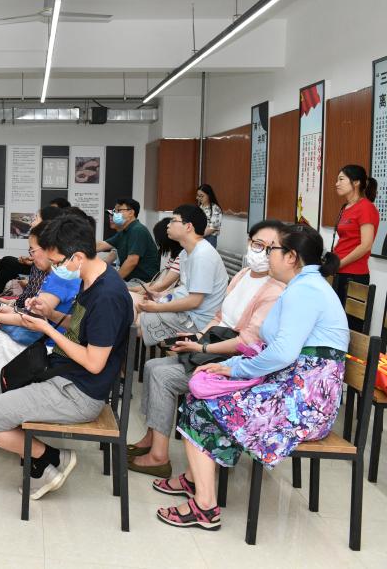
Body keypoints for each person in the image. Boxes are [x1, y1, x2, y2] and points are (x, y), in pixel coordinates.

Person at [156, 224, 348, 531]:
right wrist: (232, 365)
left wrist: (235, 369)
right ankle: (197, 482)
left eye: (272, 250)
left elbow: (282, 353)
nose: (267, 256)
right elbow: (269, 346)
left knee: (203, 406)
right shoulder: (302, 286)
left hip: (305, 405)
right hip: (292, 388)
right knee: (205, 397)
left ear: (291, 257)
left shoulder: (306, 291)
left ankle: (204, 505)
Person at [0, 214, 133, 499]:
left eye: (57, 262)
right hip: (61, 372)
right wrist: (52, 315)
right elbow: (81, 328)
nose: (55, 269)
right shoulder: (91, 280)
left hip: (79, 392)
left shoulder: (107, 296)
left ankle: (48, 458)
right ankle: (42, 458)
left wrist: (46, 329)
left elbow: (94, 362)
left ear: (77, 256)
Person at [128, 220, 286, 477]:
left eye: (271, 248)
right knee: (151, 366)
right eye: (258, 244)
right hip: (213, 345)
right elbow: (219, 317)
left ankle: (158, 456)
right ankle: (152, 437)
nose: (263, 253)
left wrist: (202, 348)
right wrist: (196, 338)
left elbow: (247, 341)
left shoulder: (275, 290)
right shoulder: (243, 275)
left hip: (233, 361)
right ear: (249, 243)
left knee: (162, 375)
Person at [0, 217, 81, 391]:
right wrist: (14, 310)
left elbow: (33, 320)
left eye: (32, 250)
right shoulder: (59, 274)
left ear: (49, 249)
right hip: (52, 342)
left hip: (49, 349)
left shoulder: (59, 278)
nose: (31, 256)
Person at [138, 205, 228, 348]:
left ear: (188, 226)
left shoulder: (202, 256)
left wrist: (157, 307)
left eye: (173, 220)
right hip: (188, 314)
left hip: (197, 324)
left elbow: (194, 301)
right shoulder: (186, 252)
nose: (168, 225)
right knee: (134, 309)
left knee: (136, 323)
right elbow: (186, 289)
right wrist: (162, 296)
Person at [331, 165, 379, 313]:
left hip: (353, 275)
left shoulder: (366, 208)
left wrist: (339, 264)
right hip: (338, 271)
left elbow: (366, 245)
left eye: (341, 179)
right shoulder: (346, 207)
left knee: (349, 323)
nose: (337, 184)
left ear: (356, 182)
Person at [128, 218, 183, 320]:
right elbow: (157, 283)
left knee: (128, 301)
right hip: (159, 296)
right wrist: (131, 290)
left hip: (164, 299)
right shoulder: (174, 257)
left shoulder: (181, 257)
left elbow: (162, 285)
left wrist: (137, 293)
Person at [96, 198, 160, 286]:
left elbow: (132, 261)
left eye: (118, 210)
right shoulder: (124, 231)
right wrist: (80, 246)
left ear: (131, 213)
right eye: (115, 211)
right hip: (130, 280)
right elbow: (101, 245)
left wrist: (114, 281)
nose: (115, 214)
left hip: (141, 282)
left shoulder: (137, 230)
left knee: (102, 287)